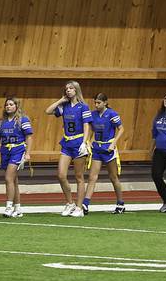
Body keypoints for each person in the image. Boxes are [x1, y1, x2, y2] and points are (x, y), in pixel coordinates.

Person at [45, 80, 89, 216]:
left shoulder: (83, 107)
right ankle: (70, 203)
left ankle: (79, 207)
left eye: (70, 88)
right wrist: (60, 100)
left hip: (78, 143)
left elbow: (87, 125)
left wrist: (84, 142)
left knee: (79, 176)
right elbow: (48, 111)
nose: (68, 90)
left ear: (76, 90)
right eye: (66, 89)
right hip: (66, 144)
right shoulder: (64, 106)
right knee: (61, 175)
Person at [82, 94, 126, 215]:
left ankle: (120, 203)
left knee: (113, 177)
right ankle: (85, 203)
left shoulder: (112, 114)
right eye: (95, 102)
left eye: (99, 103)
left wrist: (114, 143)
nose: (96, 105)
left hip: (108, 149)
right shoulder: (93, 114)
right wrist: (89, 140)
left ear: (105, 102)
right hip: (97, 148)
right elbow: (91, 128)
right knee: (92, 177)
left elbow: (121, 129)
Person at [0, 97, 32, 217]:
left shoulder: (23, 120)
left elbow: (29, 137)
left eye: (11, 104)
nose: (8, 106)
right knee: (13, 181)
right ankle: (18, 208)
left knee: (8, 178)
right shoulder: (1, 121)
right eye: (7, 104)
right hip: (5, 151)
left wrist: (27, 153)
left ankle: (8, 206)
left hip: (17, 150)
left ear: (16, 106)